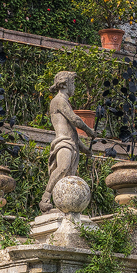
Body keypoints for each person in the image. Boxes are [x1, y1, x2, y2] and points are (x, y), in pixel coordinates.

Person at [41, 72, 95, 211]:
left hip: (71, 143)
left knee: (68, 176)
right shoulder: (59, 100)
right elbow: (75, 120)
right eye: (73, 83)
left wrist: (85, 150)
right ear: (66, 84)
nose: (74, 87)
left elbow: (73, 133)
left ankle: (61, 206)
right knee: (63, 168)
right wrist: (89, 130)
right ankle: (45, 198)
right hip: (63, 142)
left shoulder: (65, 101)